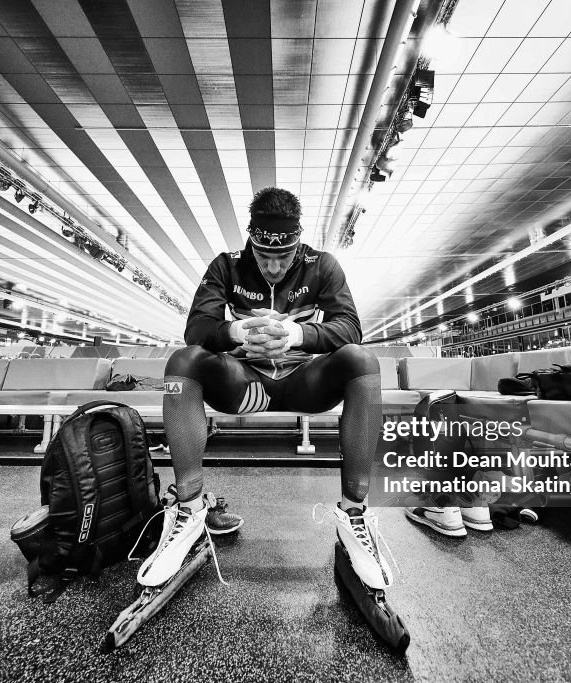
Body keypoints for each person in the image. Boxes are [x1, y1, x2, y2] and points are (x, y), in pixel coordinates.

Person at [137, 186, 393, 592]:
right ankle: (189, 509)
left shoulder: (322, 265)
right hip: (245, 383)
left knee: (362, 359)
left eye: (283, 258)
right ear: (251, 241)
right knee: (181, 361)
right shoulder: (227, 266)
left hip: (303, 384)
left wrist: (298, 335)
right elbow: (195, 330)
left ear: (297, 245)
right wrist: (234, 330)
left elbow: (351, 327)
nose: (273, 267)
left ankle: (354, 514)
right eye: (264, 257)